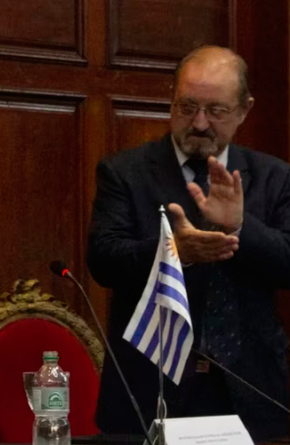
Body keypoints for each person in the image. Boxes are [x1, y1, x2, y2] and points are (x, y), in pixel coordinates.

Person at [89, 45, 290, 440]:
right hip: (149, 389)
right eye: (187, 107)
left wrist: (240, 228)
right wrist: (173, 253)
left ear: (244, 109)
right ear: (171, 100)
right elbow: (103, 260)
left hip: (250, 392)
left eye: (216, 111)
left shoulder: (275, 177)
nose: (199, 123)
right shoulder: (125, 172)